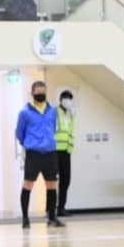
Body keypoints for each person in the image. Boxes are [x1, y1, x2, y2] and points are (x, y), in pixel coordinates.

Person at [16, 80, 64, 229]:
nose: (41, 95)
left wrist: (48, 141)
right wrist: (30, 143)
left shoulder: (53, 111)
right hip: (34, 154)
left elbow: (53, 128)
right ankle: (25, 218)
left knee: (52, 185)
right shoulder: (24, 113)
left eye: (43, 92)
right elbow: (19, 133)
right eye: (38, 93)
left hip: (50, 153)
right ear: (32, 93)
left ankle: (52, 218)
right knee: (28, 185)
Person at [54, 89, 75, 217]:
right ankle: (51, 209)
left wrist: (70, 148)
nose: (68, 101)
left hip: (66, 151)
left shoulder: (70, 114)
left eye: (69, 99)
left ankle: (61, 208)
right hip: (55, 151)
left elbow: (71, 131)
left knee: (66, 180)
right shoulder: (54, 112)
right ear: (61, 100)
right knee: (53, 180)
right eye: (66, 99)